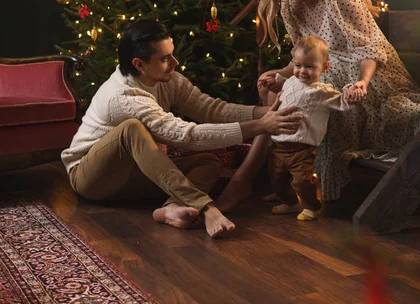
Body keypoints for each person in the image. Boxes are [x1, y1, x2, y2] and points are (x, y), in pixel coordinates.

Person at [215, 0, 420, 211]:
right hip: (323, 72)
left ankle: (249, 180)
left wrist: (362, 83)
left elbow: (371, 49)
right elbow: (303, 59)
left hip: (369, 74)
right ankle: (288, 180)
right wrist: (280, 74)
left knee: (300, 94)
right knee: (271, 86)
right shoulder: (288, 4)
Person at [61, 20, 303, 238]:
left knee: (208, 162)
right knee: (131, 128)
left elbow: (211, 110)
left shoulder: (167, 78)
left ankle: (169, 209)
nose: (175, 63)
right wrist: (259, 126)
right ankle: (206, 207)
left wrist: (266, 112)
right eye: (165, 58)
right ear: (139, 64)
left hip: (136, 176)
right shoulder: (123, 96)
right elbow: (185, 135)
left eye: (172, 55)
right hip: (92, 178)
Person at [266, 35, 352, 221]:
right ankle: (291, 203)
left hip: (301, 148)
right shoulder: (290, 82)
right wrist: (275, 83)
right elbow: (285, 89)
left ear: (325, 67)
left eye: (310, 67)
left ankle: (311, 206)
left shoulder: (322, 91)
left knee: (303, 180)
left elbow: (341, 102)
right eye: (298, 66)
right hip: (278, 144)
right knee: (276, 178)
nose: (302, 71)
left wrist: (350, 94)